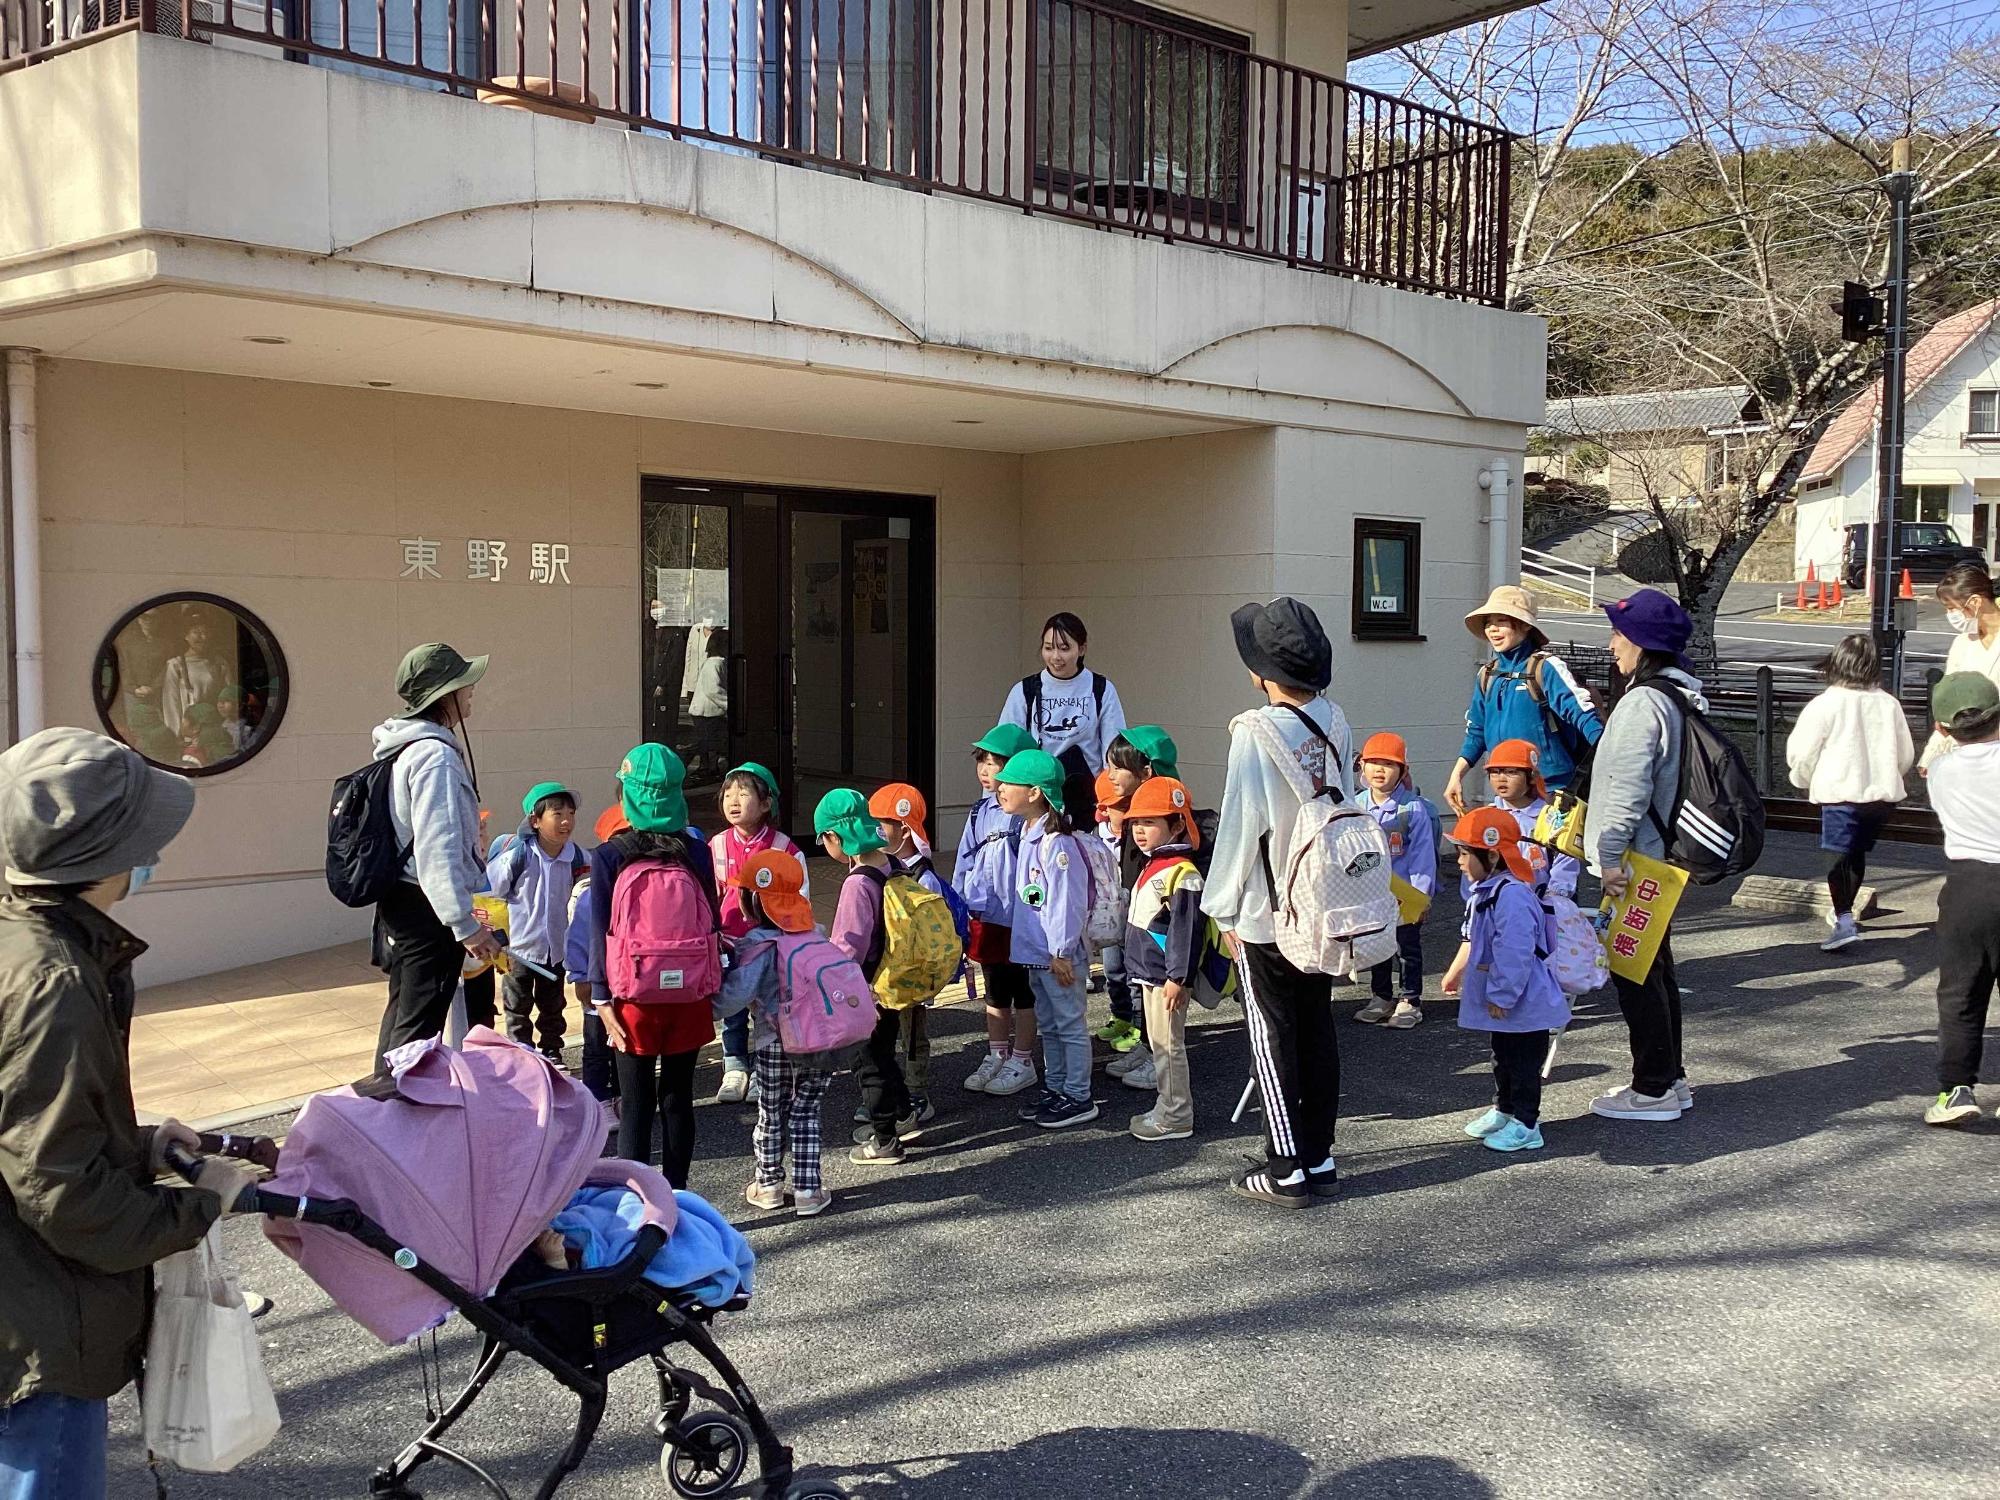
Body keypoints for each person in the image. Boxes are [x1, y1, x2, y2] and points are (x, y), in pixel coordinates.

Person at [0, 728, 261, 1493]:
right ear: (99, 858)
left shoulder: (20, 945)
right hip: (40, 1325)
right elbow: (61, 1191)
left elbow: (27, 1128)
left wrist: (139, 1145)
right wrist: (197, 1206)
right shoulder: (56, 981)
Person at [1202, 597, 1353, 1209]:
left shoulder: (1253, 734)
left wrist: (1222, 909)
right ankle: (1319, 1153)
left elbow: (1241, 829)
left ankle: (1285, 1166)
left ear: (1262, 671)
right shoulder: (1335, 719)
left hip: (1267, 909)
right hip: (1322, 900)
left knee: (1271, 1037)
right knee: (1317, 1026)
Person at [1581, 590, 1705, 1123]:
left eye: (1619, 635)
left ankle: (1652, 1088)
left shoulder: (1641, 704)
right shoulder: (1678, 697)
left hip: (1634, 862)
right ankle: (1669, 1079)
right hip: (1661, 862)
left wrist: (1610, 857)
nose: (1613, 646)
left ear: (1643, 644)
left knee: (1634, 971)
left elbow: (1626, 787)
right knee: (1654, 968)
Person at [587, 744, 718, 1186]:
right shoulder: (697, 851)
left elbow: (599, 929)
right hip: (689, 995)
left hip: (631, 996)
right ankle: (678, 1196)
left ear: (627, 794)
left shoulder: (610, 854)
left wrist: (600, 997)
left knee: (636, 1100)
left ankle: (637, 1201)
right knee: (679, 1097)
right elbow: (712, 922)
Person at [369, 644, 500, 1070]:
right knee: (417, 1035)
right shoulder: (434, 757)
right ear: (445, 696)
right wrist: (465, 925)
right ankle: (395, 1118)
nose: (471, 693)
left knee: (404, 1021)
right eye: (464, 685)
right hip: (427, 912)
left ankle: (383, 1112)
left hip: (405, 901)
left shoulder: (404, 748)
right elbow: (437, 849)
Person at [1439, 806, 1572, 1153]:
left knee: (1524, 1060)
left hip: (1523, 998)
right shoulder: (1489, 889)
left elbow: (1515, 952)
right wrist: (1456, 972)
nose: (1459, 862)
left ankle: (1527, 1123)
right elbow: (1474, 938)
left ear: (1493, 854)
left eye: (1466, 853)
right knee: (1502, 1055)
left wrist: (1501, 995)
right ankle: (1505, 1109)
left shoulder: (1510, 893)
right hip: (1510, 997)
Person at [720, 851, 840, 1216]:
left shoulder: (759, 946)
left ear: (752, 901)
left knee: (770, 1114)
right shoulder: (817, 935)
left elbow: (733, 999)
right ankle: (808, 1191)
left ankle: (768, 1184)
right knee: (807, 1112)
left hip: (775, 1043)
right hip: (821, 1042)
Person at [1785, 634, 1915, 953]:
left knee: (1837, 858)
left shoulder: (1826, 704)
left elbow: (1801, 754)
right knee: (1855, 854)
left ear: (1836, 663)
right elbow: (1905, 755)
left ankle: (1844, 920)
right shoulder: (1889, 703)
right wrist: (1888, 776)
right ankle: (1843, 911)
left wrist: (1802, 779)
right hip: (1882, 798)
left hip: (1840, 793)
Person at [993, 749, 1097, 1129]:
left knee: (1069, 1025)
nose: (1001, 788)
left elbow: (1067, 904)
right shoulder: (1029, 833)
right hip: (1040, 954)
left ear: (1035, 792)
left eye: (1010, 783)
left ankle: (1078, 1094)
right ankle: (1057, 1088)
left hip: (1057, 955)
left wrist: (1062, 950)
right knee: (1051, 1026)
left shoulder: (1058, 843)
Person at [1919, 673, 2000, 1127]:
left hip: (1968, 885)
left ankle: (1955, 1090)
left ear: (1944, 729)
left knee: (1960, 993)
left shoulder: (1944, 771)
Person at [1444, 585, 1603, 815]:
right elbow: (1476, 731)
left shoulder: (1546, 667)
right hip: (1507, 797)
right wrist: (1456, 776)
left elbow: (1582, 715)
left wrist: (1611, 761)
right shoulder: (1487, 675)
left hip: (1554, 795)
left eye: (1501, 621)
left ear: (1525, 625)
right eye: (1488, 623)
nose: (1493, 629)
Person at [816, 789, 912, 1165]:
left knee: (867, 1062)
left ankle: (884, 1139)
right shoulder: (893, 864)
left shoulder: (857, 883)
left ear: (835, 838)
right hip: (894, 978)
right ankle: (903, 1115)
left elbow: (848, 948)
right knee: (885, 1053)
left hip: (865, 985)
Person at [709, 763, 809, 1104]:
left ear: (766, 804)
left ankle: (765, 1070)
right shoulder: (717, 846)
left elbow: (801, 897)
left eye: (744, 792)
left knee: (768, 1009)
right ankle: (735, 1065)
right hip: (728, 943)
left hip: (769, 945)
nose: (733, 799)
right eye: (727, 793)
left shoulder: (784, 848)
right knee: (732, 1008)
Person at [954, 724, 1041, 1098]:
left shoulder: (1029, 813)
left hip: (1022, 918)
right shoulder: (979, 812)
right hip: (987, 916)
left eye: (997, 763)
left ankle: (1023, 1059)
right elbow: (963, 861)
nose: (988, 771)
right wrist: (958, 906)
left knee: (1025, 992)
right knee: (994, 990)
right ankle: (996, 1054)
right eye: (983, 762)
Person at [1122, 776, 1207, 1142]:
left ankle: (1175, 1114)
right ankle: (1167, 1105)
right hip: (1151, 974)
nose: (1140, 831)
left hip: (1164, 978)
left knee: (1168, 1047)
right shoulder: (1155, 864)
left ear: (1176, 825)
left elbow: (1186, 933)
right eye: (1136, 823)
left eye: (1150, 823)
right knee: (1159, 1045)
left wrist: (1178, 978)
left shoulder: (1181, 873)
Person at [999, 612, 1128, 828]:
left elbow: (1114, 752)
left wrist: (1112, 801)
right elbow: (1002, 751)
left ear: (1082, 648)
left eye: (1065, 648)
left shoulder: (1101, 688)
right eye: (1049, 648)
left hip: (1087, 798)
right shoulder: (1025, 690)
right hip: (1038, 797)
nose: (1056, 657)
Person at [866, 783, 944, 1132]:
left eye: (883, 824)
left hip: (912, 969)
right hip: (887, 968)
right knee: (885, 1032)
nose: (876, 830)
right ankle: (892, 1091)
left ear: (905, 829)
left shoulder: (923, 876)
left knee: (913, 1034)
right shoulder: (884, 866)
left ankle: (916, 1091)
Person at [487, 782, 584, 1062]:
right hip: (517, 950)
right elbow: (489, 894)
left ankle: (553, 1052)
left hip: (555, 950)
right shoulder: (517, 856)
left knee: (553, 1007)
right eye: (557, 814)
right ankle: (523, 1055)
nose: (566, 821)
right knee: (517, 1007)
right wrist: (495, 938)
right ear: (535, 820)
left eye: (571, 813)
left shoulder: (576, 857)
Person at [1353, 732, 1437, 1030]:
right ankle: (1381, 996)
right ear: (1361, 766)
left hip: (1405, 894)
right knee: (1376, 943)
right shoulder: (1356, 805)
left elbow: (1423, 855)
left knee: (1406, 948)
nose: (1379, 770)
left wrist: (1420, 895)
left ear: (1403, 770)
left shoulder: (1412, 808)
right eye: (1373, 762)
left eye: (1389, 764)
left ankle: (1410, 999)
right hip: (1371, 892)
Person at [1921, 563, 2000, 772]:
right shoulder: (1962, 643)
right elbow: (1949, 702)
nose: (1951, 616)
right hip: (1963, 751)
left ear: (1975, 602)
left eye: (1952, 608)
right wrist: (1932, 754)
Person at [1480, 739, 1578, 899]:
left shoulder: (1552, 818)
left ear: (1532, 777)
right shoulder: (1485, 818)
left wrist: (1552, 901)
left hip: (1541, 905)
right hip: (1493, 904)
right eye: (1495, 771)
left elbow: (1565, 864)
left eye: (1511, 772)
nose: (1501, 778)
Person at [1090, 767, 1143, 1057]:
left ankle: (1136, 1024)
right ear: (1103, 810)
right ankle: (1121, 1017)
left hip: (1135, 915)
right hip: (1111, 918)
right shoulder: (1096, 838)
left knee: (1135, 973)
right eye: (1119, 807)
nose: (1127, 812)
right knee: (1113, 971)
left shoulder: (1139, 835)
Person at [160, 607, 224, 739]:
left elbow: (229, 695)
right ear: (186, 636)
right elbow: (171, 704)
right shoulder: (175, 665)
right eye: (197, 632)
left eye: (206, 632)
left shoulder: (219, 663)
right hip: (189, 734)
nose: (203, 637)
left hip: (214, 730)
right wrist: (177, 736)